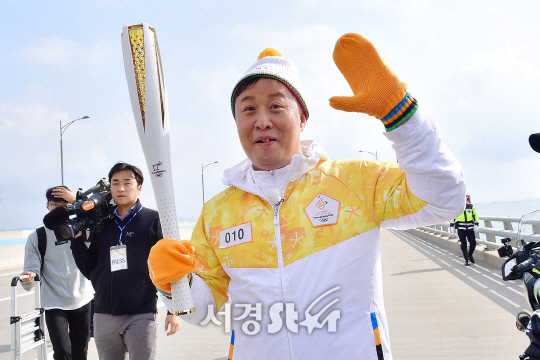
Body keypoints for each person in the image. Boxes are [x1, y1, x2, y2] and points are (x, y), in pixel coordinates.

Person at [148, 33, 466, 360]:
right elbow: (200, 309)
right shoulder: (218, 213)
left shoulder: (354, 182)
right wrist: (172, 282)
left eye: (275, 105)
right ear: (237, 123)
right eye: (248, 109)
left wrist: (401, 115)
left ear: (301, 118)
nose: (261, 121)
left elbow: (443, 199)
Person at [70, 162, 180, 360]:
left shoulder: (153, 219)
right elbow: (91, 268)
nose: (120, 188)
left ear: (138, 187)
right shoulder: (101, 224)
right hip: (103, 315)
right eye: (115, 183)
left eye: (127, 183)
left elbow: (170, 265)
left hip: (141, 315)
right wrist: (76, 242)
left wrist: (174, 310)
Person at [21, 185, 94, 360]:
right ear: (47, 206)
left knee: (80, 350)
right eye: (55, 205)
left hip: (82, 298)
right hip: (54, 302)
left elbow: (100, 218)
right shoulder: (37, 237)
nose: (60, 210)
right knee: (62, 351)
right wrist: (27, 278)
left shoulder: (82, 228)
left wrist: (77, 202)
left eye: (65, 205)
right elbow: (31, 270)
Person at [450, 194, 479, 266]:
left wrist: (477, 224)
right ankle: (467, 259)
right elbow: (453, 216)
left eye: (465, 198)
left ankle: (470, 254)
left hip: (470, 228)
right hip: (461, 228)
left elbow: (475, 215)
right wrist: (452, 226)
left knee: (473, 243)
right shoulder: (457, 207)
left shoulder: (471, 206)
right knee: (464, 244)